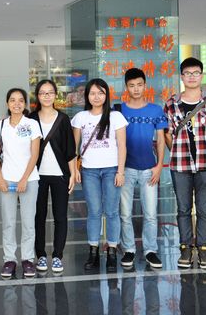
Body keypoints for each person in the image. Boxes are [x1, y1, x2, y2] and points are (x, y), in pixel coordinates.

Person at [164, 57, 206, 270]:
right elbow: (167, 134)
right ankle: (186, 249)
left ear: (201, 75)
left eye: (196, 73)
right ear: (182, 76)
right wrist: (178, 152)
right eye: (187, 73)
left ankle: (204, 249)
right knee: (183, 209)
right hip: (180, 166)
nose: (192, 76)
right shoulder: (171, 103)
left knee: (204, 209)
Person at [71, 78, 128, 273]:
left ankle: (112, 252)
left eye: (101, 93)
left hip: (112, 169)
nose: (96, 97)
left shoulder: (116, 117)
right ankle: (93, 252)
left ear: (106, 95)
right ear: (87, 96)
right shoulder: (80, 117)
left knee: (112, 212)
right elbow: (74, 147)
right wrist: (75, 170)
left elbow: (122, 146)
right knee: (94, 212)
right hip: (89, 171)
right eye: (93, 93)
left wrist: (121, 171)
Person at [118, 68, 167, 270]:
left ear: (145, 86)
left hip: (149, 168)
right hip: (126, 169)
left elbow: (161, 140)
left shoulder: (156, 110)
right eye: (132, 85)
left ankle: (150, 250)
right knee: (125, 214)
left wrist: (159, 166)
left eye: (139, 85)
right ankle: (129, 249)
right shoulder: (119, 111)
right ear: (126, 87)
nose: (136, 89)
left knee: (150, 214)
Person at [28, 80, 77, 274]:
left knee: (60, 216)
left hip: (60, 175)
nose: (46, 96)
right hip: (36, 175)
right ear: (37, 96)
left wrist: (73, 173)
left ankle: (57, 256)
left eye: (50, 92)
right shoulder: (30, 119)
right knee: (38, 216)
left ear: (55, 95)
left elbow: (70, 149)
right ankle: (40, 255)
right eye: (42, 93)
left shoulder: (63, 119)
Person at [0, 88, 41, 279]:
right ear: (7, 103)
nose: (17, 104)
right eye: (12, 100)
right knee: (8, 222)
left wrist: (24, 179)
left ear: (25, 104)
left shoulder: (32, 124)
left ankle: (28, 259)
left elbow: (35, 154)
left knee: (29, 222)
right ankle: (9, 260)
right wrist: (0, 179)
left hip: (29, 179)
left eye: (21, 100)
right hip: (7, 180)